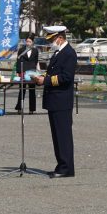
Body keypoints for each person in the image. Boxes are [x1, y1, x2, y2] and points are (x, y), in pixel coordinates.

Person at [33, 25, 76, 178]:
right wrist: (41, 78)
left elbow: (65, 77)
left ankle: (66, 169)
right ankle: (61, 165)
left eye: (52, 40)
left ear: (59, 38)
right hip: (55, 100)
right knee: (57, 136)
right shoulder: (58, 53)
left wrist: (45, 80)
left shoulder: (69, 53)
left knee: (63, 136)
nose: (50, 43)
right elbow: (53, 73)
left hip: (62, 101)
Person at [15, 35, 39, 114]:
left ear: (32, 42)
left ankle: (32, 109)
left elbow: (36, 61)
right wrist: (18, 72)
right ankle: (19, 108)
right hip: (23, 71)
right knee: (22, 90)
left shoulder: (35, 50)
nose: (28, 43)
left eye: (30, 42)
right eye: (27, 41)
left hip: (32, 72)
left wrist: (35, 70)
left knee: (32, 91)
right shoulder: (21, 50)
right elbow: (18, 61)